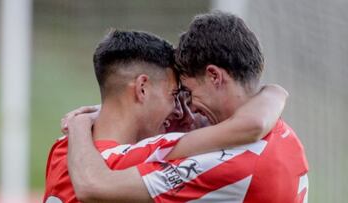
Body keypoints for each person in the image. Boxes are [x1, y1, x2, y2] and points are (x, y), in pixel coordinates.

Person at [66, 11, 309, 202]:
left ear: (214, 76)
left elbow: (94, 186)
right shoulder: (284, 134)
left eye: (189, 93)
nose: (189, 107)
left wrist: (79, 122)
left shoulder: (223, 165)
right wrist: (275, 91)